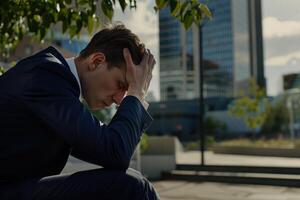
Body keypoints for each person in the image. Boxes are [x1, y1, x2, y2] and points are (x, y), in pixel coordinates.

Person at [0, 24, 160, 199]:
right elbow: (115, 151)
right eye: (121, 85)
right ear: (96, 61)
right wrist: (136, 93)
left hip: (14, 189)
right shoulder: (46, 76)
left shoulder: (58, 85)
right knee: (133, 187)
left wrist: (137, 96)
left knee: (133, 180)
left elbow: (111, 151)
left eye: (127, 91)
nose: (119, 100)